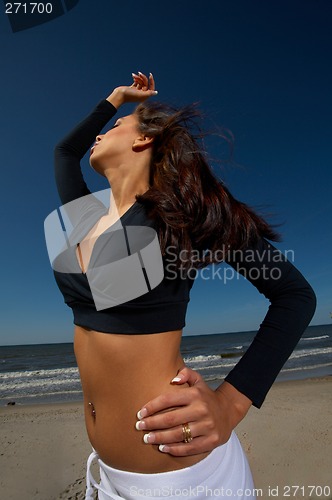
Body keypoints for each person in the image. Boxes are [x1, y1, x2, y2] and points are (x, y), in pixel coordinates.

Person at [49, 72, 316, 499]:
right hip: (109, 477)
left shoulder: (182, 212)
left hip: (182, 479)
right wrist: (116, 100)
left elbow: (295, 296)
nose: (99, 135)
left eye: (114, 127)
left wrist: (230, 403)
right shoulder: (84, 217)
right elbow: (65, 152)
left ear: (144, 141)